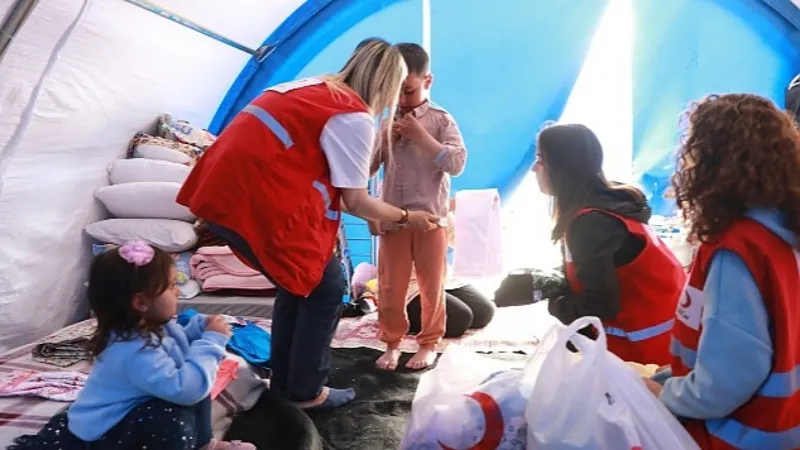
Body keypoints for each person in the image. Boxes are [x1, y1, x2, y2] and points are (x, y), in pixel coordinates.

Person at [177, 41, 439, 410]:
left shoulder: (305, 88)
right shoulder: (353, 116)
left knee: (297, 284)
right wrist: (405, 216)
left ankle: (286, 383)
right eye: (401, 91)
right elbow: (355, 199)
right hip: (258, 202)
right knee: (327, 287)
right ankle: (305, 392)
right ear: (389, 84)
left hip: (223, 191)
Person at [642, 94, 800, 450]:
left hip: (737, 435)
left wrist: (665, 394)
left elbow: (728, 380)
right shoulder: (784, 234)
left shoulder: (738, 251)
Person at [8, 241, 254, 450]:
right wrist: (211, 341)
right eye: (170, 287)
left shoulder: (154, 325)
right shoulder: (132, 348)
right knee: (174, 413)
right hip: (105, 431)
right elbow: (186, 389)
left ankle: (204, 444)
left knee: (198, 378)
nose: (178, 293)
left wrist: (200, 328)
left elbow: (178, 346)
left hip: (132, 409)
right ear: (140, 302)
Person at [533, 123, 685, 365]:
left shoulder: (592, 223)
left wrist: (551, 299)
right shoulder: (609, 203)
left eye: (540, 159)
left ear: (562, 166)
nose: (534, 168)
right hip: (666, 341)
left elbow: (599, 306)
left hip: (641, 358)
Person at [369, 42, 468, 371]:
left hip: (431, 223)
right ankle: (393, 343)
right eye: (394, 91)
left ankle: (428, 343)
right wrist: (383, 142)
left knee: (431, 285)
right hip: (394, 222)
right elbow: (367, 169)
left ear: (428, 81)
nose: (400, 99)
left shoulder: (441, 120)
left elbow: (456, 164)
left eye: (408, 91)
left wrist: (422, 137)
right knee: (390, 287)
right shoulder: (385, 123)